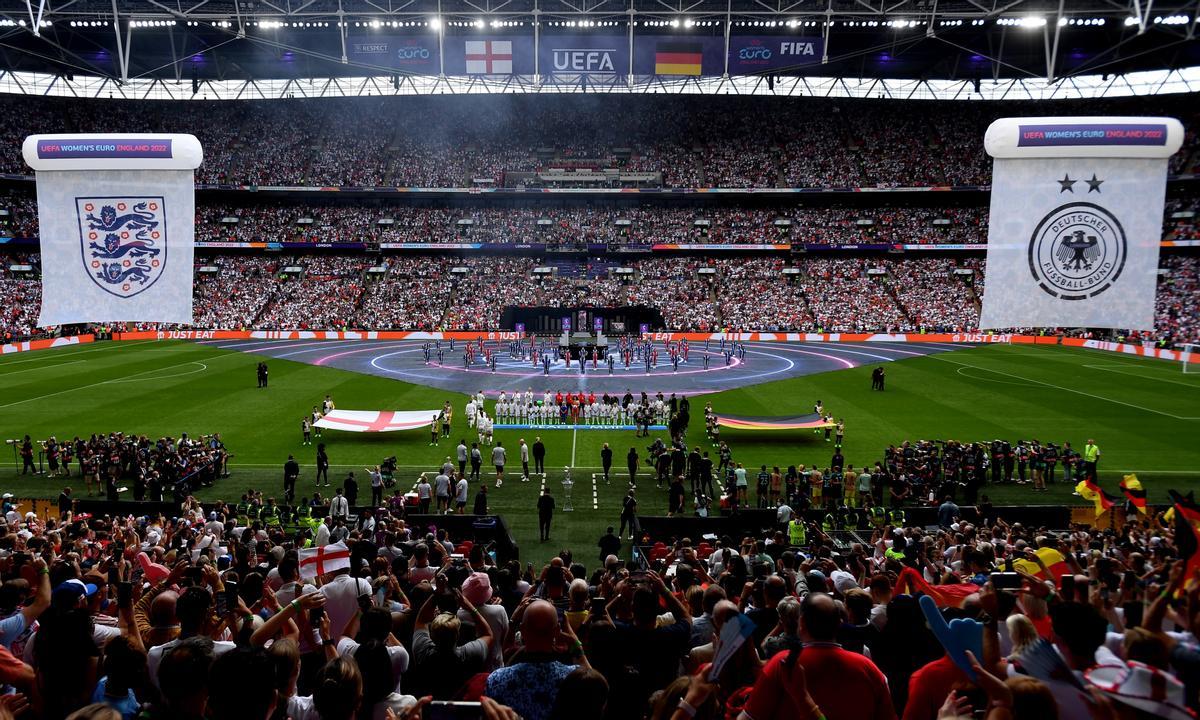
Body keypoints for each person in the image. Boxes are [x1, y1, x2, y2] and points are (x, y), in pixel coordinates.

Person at [485, 599, 578, 720]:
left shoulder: (497, 680)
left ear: (522, 630)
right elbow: (596, 683)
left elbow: (507, 649)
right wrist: (576, 644)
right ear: (557, 631)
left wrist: (513, 621)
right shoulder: (574, 679)